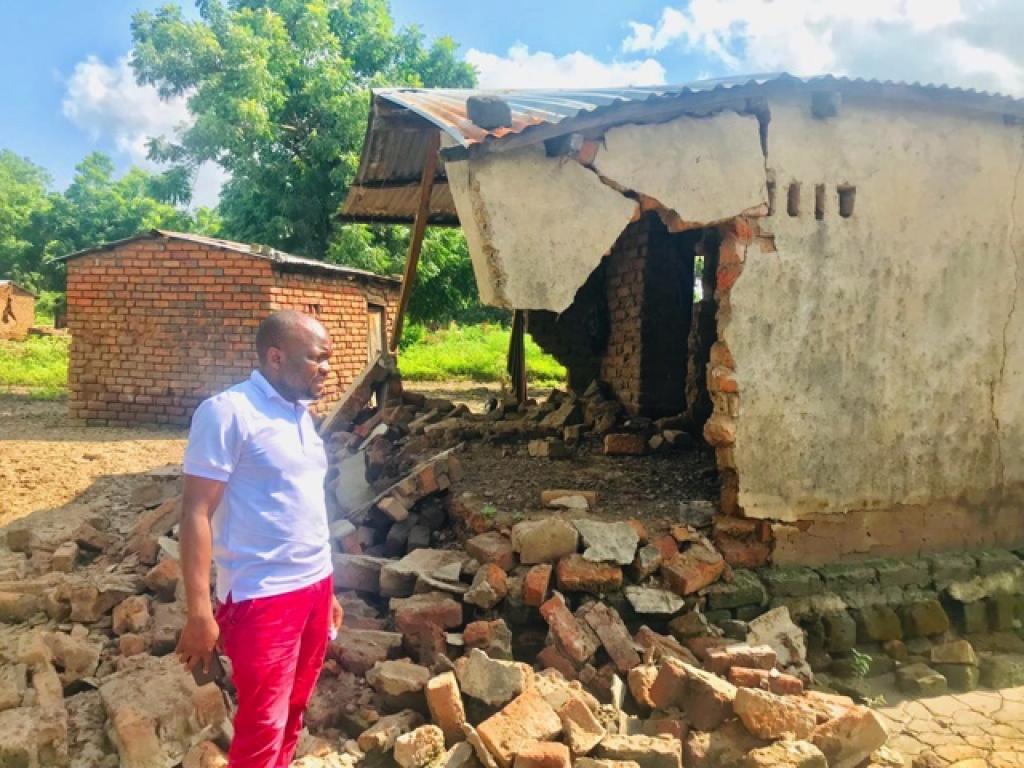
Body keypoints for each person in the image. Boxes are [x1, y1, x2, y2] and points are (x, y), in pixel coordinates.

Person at [175, 310, 343, 768]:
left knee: (293, 711)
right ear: (276, 356)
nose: (328, 368)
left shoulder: (300, 415)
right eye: (318, 359)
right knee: (262, 724)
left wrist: (327, 589)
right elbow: (195, 512)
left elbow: (304, 505)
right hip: (262, 598)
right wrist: (199, 613)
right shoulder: (229, 412)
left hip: (313, 587)